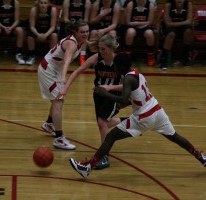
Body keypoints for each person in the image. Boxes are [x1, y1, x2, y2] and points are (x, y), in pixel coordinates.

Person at [69, 53, 206, 179]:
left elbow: (123, 98)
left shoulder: (128, 79)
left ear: (120, 66)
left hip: (144, 117)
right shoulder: (135, 73)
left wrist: (105, 93)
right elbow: (133, 97)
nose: (114, 67)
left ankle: (87, 167)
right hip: (157, 110)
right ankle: (201, 158)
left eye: (115, 65)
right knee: (175, 136)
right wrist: (126, 103)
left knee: (110, 137)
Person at [57, 34, 125, 169]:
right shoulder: (96, 58)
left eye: (104, 49)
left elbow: (127, 85)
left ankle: (104, 156)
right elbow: (76, 72)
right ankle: (129, 121)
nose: (101, 51)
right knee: (104, 124)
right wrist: (65, 88)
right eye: (99, 48)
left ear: (112, 49)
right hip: (98, 95)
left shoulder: (119, 62)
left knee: (102, 123)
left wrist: (109, 88)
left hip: (113, 96)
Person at [38, 20, 89, 150]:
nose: (85, 34)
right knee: (58, 101)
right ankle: (59, 139)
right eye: (82, 32)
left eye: (87, 31)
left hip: (55, 69)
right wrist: (64, 77)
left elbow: (89, 44)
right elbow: (67, 60)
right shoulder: (71, 44)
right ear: (75, 32)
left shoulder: (81, 40)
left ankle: (49, 124)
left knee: (58, 100)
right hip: (49, 70)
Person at [159, 0, 193, 71]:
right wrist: (183, 22)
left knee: (188, 31)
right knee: (171, 34)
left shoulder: (188, 5)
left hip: (180, 27)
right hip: (170, 28)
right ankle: (163, 59)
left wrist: (173, 23)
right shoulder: (168, 5)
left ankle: (186, 58)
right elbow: (167, 24)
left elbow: (189, 21)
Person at [0, 0, 25, 65]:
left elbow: (17, 20)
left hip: (12, 25)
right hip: (0, 25)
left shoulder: (16, 3)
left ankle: (18, 54)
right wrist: (4, 27)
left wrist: (11, 28)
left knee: (20, 30)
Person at [124, 0, 156, 66]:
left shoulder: (150, 5)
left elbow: (150, 22)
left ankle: (150, 56)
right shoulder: (131, 4)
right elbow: (127, 21)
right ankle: (127, 55)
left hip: (145, 27)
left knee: (149, 33)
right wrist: (136, 24)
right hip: (132, 26)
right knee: (130, 32)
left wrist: (137, 23)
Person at [26, 0, 58, 66]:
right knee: (30, 36)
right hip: (37, 29)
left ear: (49, 4)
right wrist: (38, 34)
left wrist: (46, 35)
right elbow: (32, 26)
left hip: (48, 29)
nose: (43, 5)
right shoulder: (34, 10)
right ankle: (31, 56)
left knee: (54, 35)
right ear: (38, 3)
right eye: (41, 3)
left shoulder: (53, 10)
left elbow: (53, 26)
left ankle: (51, 57)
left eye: (45, 3)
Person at [60, 0, 92, 65]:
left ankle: (82, 58)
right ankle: (65, 57)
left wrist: (79, 26)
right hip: (70, 26)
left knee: (84, 34)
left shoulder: (87, 2)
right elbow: (65, 19)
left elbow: (85, 19)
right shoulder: (67, 2)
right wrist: (73, 26)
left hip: (81, 26)